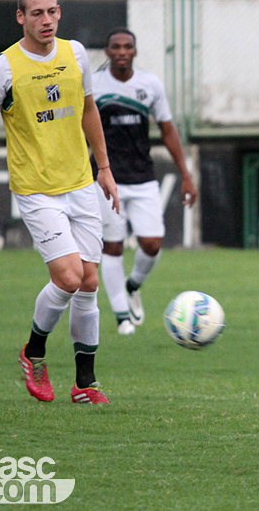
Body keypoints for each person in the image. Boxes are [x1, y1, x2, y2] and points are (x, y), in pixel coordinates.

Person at [0, 0, 119, 404]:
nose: (46, 20)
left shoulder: (76, 54)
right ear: (21, 17)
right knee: (67, 276)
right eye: (36, 14)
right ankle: (33, 352)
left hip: (81, 184)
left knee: (88, 282)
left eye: (51, 12)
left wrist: (103, 168)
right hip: (37, 190)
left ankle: (85, 384)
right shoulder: (4, 68)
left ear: (59, 12)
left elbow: (88, 109)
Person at [92, 28, 198, 335]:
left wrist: (186, 174)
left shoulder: (150, 85)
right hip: (106, 179)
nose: (122, 51)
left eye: (128, 46)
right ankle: (122, 316)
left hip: (142, 178)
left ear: (135, 52)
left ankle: (133, 285)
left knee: (152, 243)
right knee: (111, 246)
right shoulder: (94, 86)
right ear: (108, 52)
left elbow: (167, 130)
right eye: (116, 47)